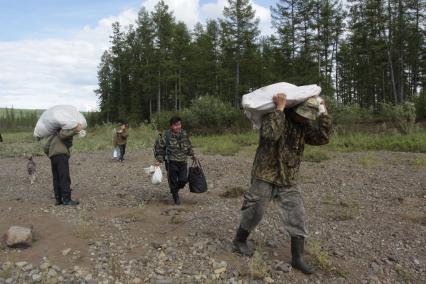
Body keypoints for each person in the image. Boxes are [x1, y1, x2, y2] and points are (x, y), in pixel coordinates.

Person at [232, 93, 332, 274]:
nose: (304, 119)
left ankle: (297, 257)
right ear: (293, 110)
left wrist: (324, 113)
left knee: (297, 215)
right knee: (255, 210)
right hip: (265, 173)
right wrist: (279, 109)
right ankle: (239, 241)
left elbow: (322, 138)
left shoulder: (304, 125)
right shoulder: (274, 116)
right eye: (302, 115)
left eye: (307, 117)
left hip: (289, 177)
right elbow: (270, 135)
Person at [154, 116, 196, 205]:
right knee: (172, 181)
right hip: (171, 163)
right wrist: (159, 160)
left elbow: (188, 146)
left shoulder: (184, 134)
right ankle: (175, 196)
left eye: (179, 124)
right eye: (175, 125)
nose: (178, 127)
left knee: (183, 180)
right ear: (171, 126)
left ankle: (175, 190)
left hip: (183, 162)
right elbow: (160, 148)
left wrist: (192, 154)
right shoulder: (166, 135)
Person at [44, 124, 83, 206]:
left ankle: (58, 200)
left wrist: (51, 155)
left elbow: (45, 147)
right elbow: (63, 135)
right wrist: (76, 130)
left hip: (53, 157)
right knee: (64, 177)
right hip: (61, 156)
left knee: (56, 178)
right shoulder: (62, 131)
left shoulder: (53, 135)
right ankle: (66, 200)